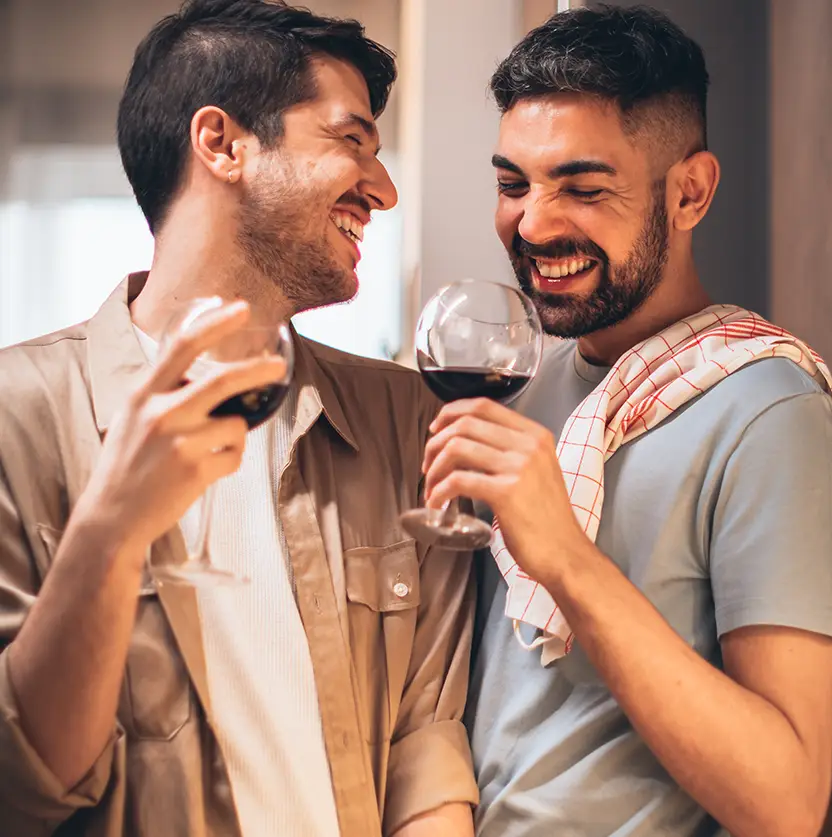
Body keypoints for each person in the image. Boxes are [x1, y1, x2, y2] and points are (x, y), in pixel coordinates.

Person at [0, 2, 477, 835]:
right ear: (221, 143)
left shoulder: (405, 419)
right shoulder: (18, 416)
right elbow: (24, 785)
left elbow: (424, 745)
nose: (384, 187)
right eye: (350, 139)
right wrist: (110, 528)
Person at [421, 6, 832, 837]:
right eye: (513, 184)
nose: (533, 224)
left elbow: (787, 803)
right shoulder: (520, 382)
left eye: (581, 187)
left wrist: (566, 557)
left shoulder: (768, 409)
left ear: (689, 192)